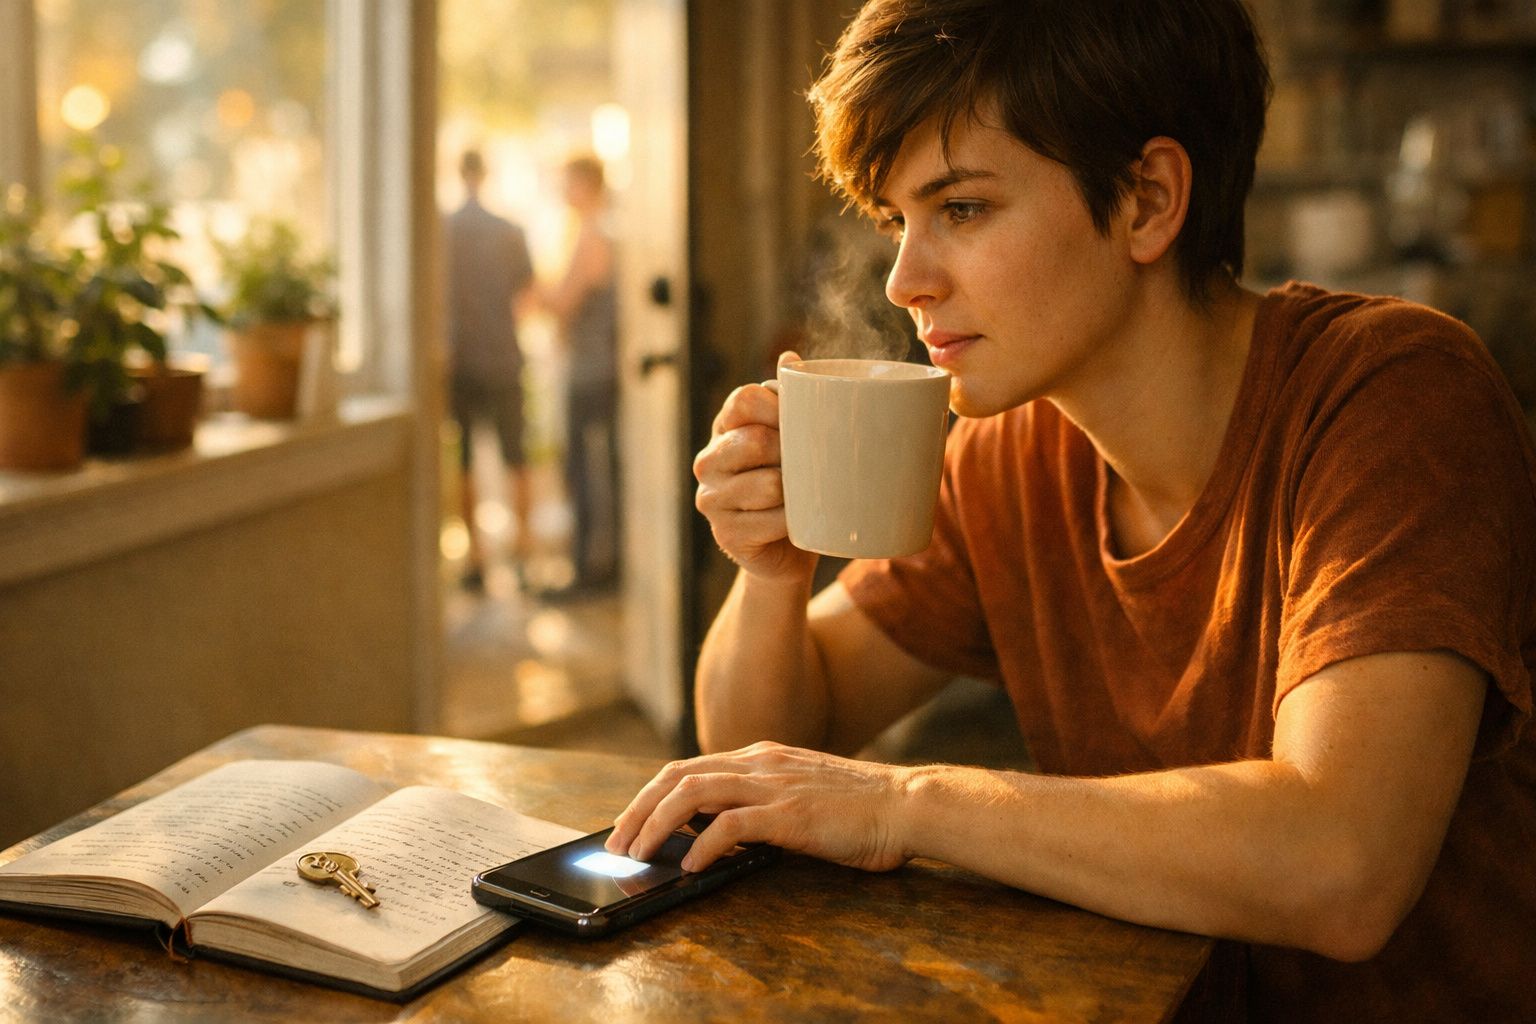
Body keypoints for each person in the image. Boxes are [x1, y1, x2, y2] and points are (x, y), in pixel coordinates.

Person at [604, 2, 1536, 1020]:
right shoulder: (1012, 455)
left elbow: (1342, 862)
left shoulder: (1392, 394)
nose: (905, 281)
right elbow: (763, 753)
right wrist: (773, 573)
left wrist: (905, 802)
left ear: (1147, 201)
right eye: (897, 221)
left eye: (962, 208)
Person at [444, 149, 536, 593]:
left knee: (463, 459)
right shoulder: (509, 231)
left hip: (460, 358)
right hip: (502, 355)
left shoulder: (444, 230)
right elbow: (527, 295)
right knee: (516, 455)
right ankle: (522, 551)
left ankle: (476, 557)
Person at [539, 155, 620, 593]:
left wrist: (532, 292)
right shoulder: (600, 230)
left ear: (586, 184)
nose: (562, 191)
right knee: (592, 467)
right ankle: (594, 564)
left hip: (590, 371)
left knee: (584, 470)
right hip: (595, 367)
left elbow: (563, 302)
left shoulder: (593, 234)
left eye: (567, 182)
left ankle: (589, 569)